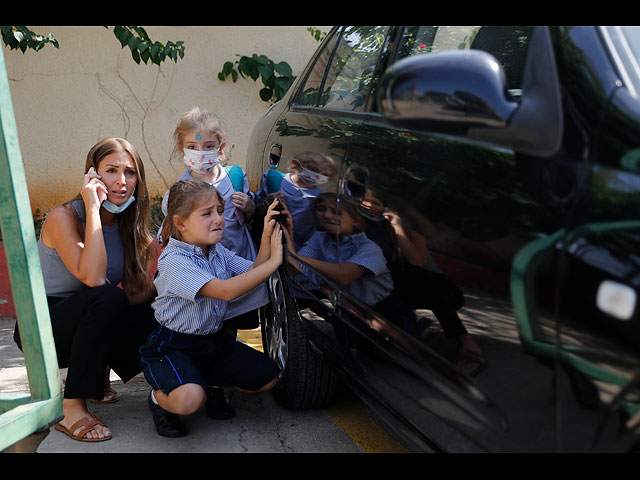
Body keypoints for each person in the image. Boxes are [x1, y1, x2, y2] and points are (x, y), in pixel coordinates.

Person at [13, 138, 158, 442]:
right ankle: (71, 407)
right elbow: (92, 278)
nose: (121, 181)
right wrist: (93, 207)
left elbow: (135, 293)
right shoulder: (62, 217)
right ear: (92, 175)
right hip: (43, 327)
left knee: (153, 310)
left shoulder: (126, 223)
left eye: (130, 173)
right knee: (107, 296)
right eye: (111, 170)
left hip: (88, 315)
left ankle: (99, 378)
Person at [139, 179, 282, 438]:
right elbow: (227, 291)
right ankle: (160, 400)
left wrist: (267, 235)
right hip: (173, 346)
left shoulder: (217, 251)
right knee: (189, 400)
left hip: (212, 342)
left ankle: (207, 381)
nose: (217, 219)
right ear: (181, 223)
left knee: (269, 376)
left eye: (219, 210)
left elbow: (252, 271)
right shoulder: (175, 260)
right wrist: (275, 263)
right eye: (206, 213)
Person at [158, 107, 268, 416]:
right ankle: (202, 385)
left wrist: (248, 208)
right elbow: (171, 236)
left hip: (235, 267)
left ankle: (219, 386)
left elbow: (246, 220)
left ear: (221, 146)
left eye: (208, 146)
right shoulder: (178, 192)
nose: (200, 153)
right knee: (206, 332)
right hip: (204, 279)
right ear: (182, 149)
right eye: (193, 147)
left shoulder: (234, 178)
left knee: (229, 331)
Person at [359, 189, 486, 376]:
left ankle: (465, 340)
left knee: (413, 274)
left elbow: (417, 262)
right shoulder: (357, 226)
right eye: (365, 200)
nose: (368, 205)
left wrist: (397, 227)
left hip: (438, 291)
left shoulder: (409, 234)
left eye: (375, 203)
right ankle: (406, 326)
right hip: (394, 291)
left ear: (386, 209)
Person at [254, 152, 337, 250]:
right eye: (313, 170)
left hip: (296, 248)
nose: (318, 176)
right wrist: (267, 202)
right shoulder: (277, 181)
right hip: (265, 242)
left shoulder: (320, 197)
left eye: (324, 175)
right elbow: (256, 209)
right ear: (295, 164)